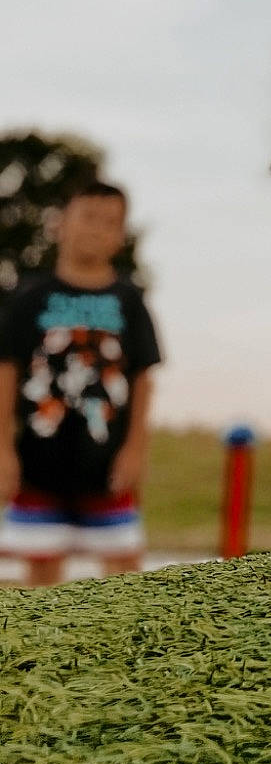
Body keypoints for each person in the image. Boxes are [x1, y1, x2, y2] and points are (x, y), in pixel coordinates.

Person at [0, 182, 161, 586]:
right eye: (87, 217)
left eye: (110, 222)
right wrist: (2, 449)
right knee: (40, 571)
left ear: (121, 235)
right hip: (38, 460)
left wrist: (136, 450)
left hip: (106, 462)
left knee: (125, 570)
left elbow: (143, 378)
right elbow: (6, 372)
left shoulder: (129, 300)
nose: (96, 229)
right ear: (59, 224)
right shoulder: (29, 297)